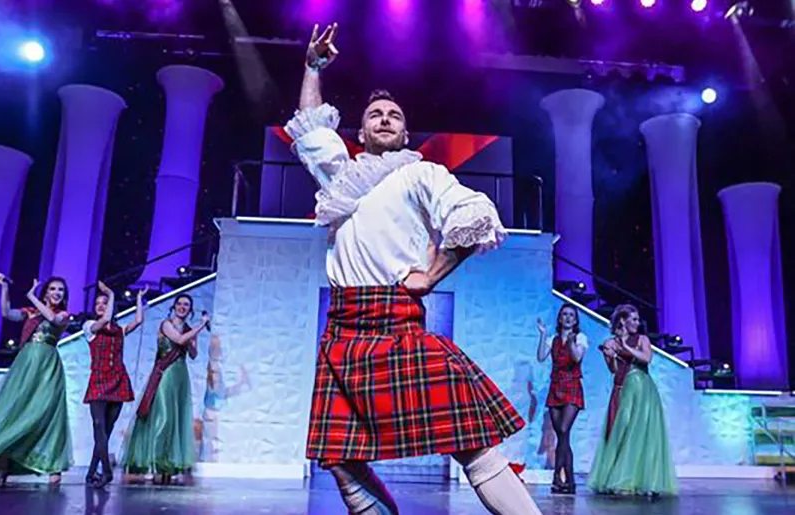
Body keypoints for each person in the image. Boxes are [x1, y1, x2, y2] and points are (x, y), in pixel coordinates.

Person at [284, 23, 542, 515]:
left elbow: (476, 216)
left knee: (470, 439)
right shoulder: (342, 175)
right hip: (343, 330)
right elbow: (312, 125)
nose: (384, 119)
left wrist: (432, 275)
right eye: (375, 115)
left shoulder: (421, 172)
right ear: (359, 133)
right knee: (337, 455)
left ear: (406, 132)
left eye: (394, 116)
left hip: (397, 323)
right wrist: (312, 68)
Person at [0, 274, 73, 486]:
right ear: (46, 292)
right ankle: (2, 468)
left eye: (61, 291)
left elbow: (53, 319)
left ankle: (53, 466)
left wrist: (31, 296)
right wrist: (4, 288)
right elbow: (6, 312)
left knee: (46, 415)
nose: (57, 293)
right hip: (26, 364)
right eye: (53, 289)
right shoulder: (31, 312)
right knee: (13, 413)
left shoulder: (64, 315)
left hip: (47, 366)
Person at [587, 304, 677, 497]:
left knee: (640, 432)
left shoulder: (641, 339)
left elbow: (646, 359)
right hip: (621, 389)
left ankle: (636, 480)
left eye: (637, 319)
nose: (637, 323)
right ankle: (616, 476)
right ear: (623, 321)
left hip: (641, 389)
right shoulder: (611, 342)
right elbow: (613, 370)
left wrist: (625, 348)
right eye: (633, 319)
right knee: (620, 431)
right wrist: (609, 356)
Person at [121, 294, 208, 485]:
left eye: (187, 305)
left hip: (180, 376)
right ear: (174, 306)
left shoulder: (188, 329)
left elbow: (193, 354)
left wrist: (195, 335)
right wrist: (200, 326)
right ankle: (153, 461)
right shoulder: (166, 324)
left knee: (175, 419)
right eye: (180, 304)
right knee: (163, 416)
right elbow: (178, 339)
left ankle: (167, 463)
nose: (183, 307)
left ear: (190, 310)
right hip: (165, 374)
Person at [82, 281, 147, 489]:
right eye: (98, 303)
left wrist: (138, 299)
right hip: (99, 380)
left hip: (118, 380)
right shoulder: (89, 327)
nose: (101, 306)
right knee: (98, 426)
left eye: (105, 302)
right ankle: (107, 472)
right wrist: (110, 292)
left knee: (106, 432)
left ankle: (92, 472)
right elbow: (105, 319)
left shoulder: (119, 330)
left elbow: (138, 320)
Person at [536, 303, 588, 494]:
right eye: (564, 315)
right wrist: (542, 334)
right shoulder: (553, 339)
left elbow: (576, 358)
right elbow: (541, 357)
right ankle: (568, 481)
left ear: (575, 320)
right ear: (560, 318)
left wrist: (572, 341)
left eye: (571, 315)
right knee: (562, 436)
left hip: (572, 386)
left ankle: (558, 475)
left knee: (564, 429)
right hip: (556, 386)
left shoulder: (580, 338)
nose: (567, 318)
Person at [197, 335, 250, 463]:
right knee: (211, 446)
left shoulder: (213, 366)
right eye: (217, 347)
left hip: (213, 410)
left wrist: (240, 384)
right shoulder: (213, 367)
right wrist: (240, 384)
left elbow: (220, 392)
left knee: (211, 445)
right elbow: (218, 392)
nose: (220, 350)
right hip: (212, 411)